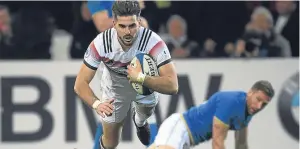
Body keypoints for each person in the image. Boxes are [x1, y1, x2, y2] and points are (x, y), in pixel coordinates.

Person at [74, 1, 178, 149]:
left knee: (146, 114)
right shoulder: (101, 43)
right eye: (122, 26)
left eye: (132, 26)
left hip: (143, 82)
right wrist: (97, 104)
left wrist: (141, 78)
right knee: (111, 142)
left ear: (139, 22)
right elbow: (80, 84)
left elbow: (173, 85)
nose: (127, 32)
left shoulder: (153, 41)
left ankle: (140, 122)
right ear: (114, 23)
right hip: (114, 86)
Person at [148, 80, 275, 149]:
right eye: (258, 100)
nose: (259, 106)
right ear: (250, 92)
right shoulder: (231, 102)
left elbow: (241, 145)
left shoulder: (248, 112)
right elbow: (217, 143)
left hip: (187, 141)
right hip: (180, 127)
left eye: (264, 104)